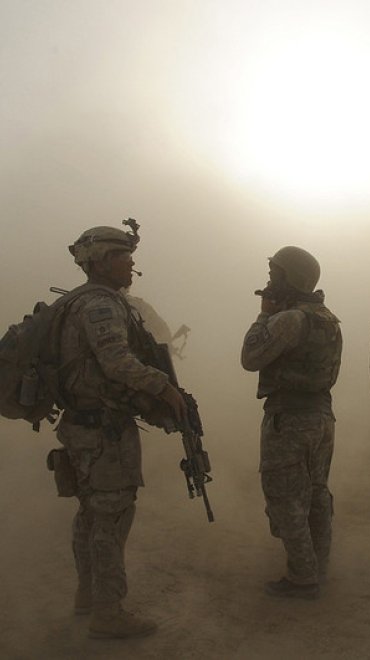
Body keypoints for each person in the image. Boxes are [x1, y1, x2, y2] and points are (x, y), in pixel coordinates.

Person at [57, 224, 185, 638]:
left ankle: (88, 597)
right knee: (110, 519)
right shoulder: (101, 305)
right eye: (123, 255)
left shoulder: (82, 302)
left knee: (91, 513)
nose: (131, 263)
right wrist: (164, 388)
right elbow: (116, 362)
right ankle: (108, 614)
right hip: (102, 432)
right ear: (100, 261)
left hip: (84, 426)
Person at [241, 246, 342, 600]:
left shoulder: (289, 319)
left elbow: (251, 358)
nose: (269, 281)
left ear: (292, 278)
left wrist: (262, 315)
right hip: (321, 417)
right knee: (316, 493)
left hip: (290, 419)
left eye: (274, 274)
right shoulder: (326, 317)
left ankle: (302, 577)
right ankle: (318, 566)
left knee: (286, 498)